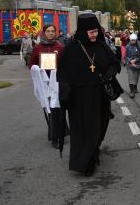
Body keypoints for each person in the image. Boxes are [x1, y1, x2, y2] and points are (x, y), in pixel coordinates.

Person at [57, 13, 121, 176]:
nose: (94, 35)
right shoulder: (71, 49)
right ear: (83, 31)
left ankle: (94, 150)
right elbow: (63, 75)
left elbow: (113, 63)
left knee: (100, 125)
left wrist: (109, 73)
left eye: (96, 31)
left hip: (99, 95)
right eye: (90, 32)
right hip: (78, 98)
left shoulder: (101, 45)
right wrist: (64, 96)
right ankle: (85, 162)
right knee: (83, 130)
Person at [29, 24, 66, 149]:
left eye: (52, 31)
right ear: (44, 33)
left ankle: (61, 132)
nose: (50, 33)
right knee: (50, 110)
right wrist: (37, 69)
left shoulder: (60, 47)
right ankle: (54, 137)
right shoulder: (38, 48)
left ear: (56, 33)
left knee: (59, 109)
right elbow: (32, 64)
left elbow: (67, 64)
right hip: (45, 85)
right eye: (48, 31)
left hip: (58, 83)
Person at [125, 33, 140, 98]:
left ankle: (135, 86)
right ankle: (132, 92)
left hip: (137, 64)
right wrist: (130, 61)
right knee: (131, 77)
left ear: (136, 40)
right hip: (129, 64)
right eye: (131, 40)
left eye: (134, 40)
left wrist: (135, 60)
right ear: (130, 40)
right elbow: (126, 56)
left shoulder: (139, 46)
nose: (132, 41)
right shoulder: (127, 46)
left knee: (136, 77)